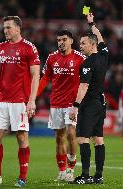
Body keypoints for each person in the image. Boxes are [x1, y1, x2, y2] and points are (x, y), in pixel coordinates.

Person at [0, 16, 40, 187]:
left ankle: (22, 177)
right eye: (4, 28)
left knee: (21, 137)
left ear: (18, 29)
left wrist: (32, 100)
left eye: (9, 27)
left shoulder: (29, 48)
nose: (5, 30)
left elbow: (36, 75)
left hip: (20, 100)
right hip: (1, 100)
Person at [37, 29, 85, 182]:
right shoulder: (52, 58)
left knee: (71, 134)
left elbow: (87, 80)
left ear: (71, 41)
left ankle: (71, 168)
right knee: (59, 138)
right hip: (56, 103)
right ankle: (62, 170)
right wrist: (34, 96)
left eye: (64, 39)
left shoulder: (80, 58)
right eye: (59, 40)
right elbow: (45, 79)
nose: (61, 42)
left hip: (72, 104)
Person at [69, 12, 108, 184]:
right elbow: (100, 38)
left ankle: (85, 176)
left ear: (92, 45)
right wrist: (92, 24)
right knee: (98, 139)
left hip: (90, 103)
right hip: (101, 103)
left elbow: (83, 86)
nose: (80, 45)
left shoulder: (87, 63)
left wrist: (75, 105)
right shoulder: (103, 56)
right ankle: (98, 176)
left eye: (83, 43)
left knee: (82, 138)